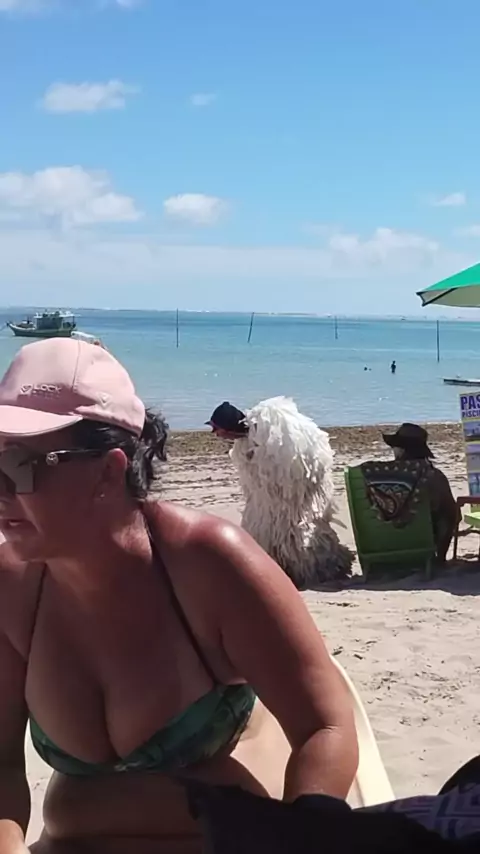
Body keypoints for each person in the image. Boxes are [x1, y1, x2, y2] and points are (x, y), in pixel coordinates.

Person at [0, 339, 358, 854]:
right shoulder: (13, 589)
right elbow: (5, 765)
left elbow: (325, 725)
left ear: (108, 471)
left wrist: (302, 832)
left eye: (19, 467)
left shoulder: (211, 565)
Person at [207, 396, 354, 588]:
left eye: (216, 429)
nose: (215, 434)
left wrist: (287, 494)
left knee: (296, 533)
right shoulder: (242, 444)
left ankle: (311, 573)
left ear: (227, 428)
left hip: (293, 497)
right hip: (265, 500)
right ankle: (277, 574)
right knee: (266, 534)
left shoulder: (273, 431)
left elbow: (297, 465)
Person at [383, 423, 459, 564]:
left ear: (401, 450)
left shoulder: (379, 478)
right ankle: (440, 559)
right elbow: (452, 515)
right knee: (449, 513)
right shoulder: (435, 477)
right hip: (422, 542)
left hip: (384, 545)